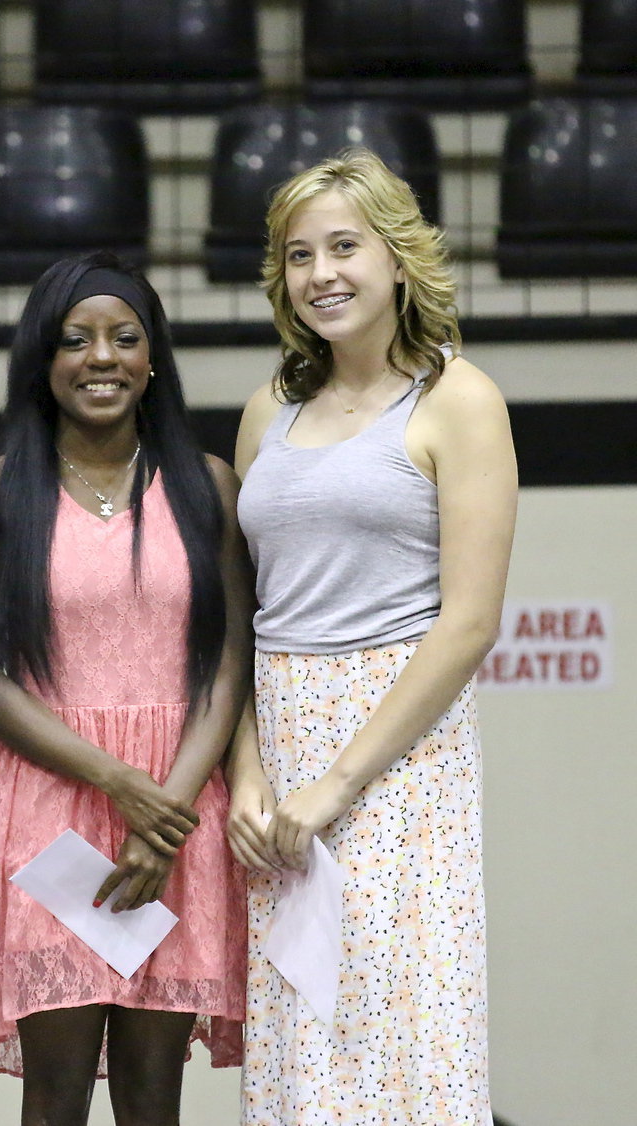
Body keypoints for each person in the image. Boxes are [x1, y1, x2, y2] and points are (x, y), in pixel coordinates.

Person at [225, 147, 517, 1123]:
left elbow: (470, 621)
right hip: (283, 749)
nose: (323, 274)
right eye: (300, 255)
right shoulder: (269, 408)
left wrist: (339, 780)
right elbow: (249, 616)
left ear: (398, 258)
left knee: (401, 1041)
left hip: (397, 761)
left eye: (345, 246)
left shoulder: (457, 399)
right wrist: (252, 771)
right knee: (300, 1043)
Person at [0, 251, 249, 1126]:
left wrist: (170, 809)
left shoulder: (208, 485)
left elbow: (230, 661)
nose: (101, 358)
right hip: (51, 815)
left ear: (154, 358)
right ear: (44, 360)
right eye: (75, 340)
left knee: (156, 1101)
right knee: (57, 1099)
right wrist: (121, 786)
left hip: (182, 810)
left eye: (125, 337)